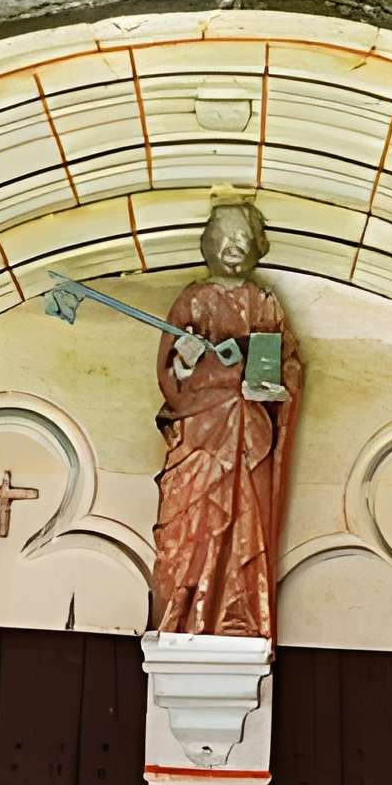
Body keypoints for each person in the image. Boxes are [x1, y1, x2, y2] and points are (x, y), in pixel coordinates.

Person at [152, 195, 303, 638]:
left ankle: (236, 609)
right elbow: (169, 374)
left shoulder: (264, 303)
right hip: (198, 431)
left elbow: (288, 365)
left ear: (257, 245)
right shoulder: (192, 301)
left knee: (242, 518)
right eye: (225, 236)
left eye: (243, 236)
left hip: (248, 432)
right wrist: (186, 359)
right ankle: (185, 607)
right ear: (209, 242)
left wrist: (271, 382)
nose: (234, 245)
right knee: (190, 518)